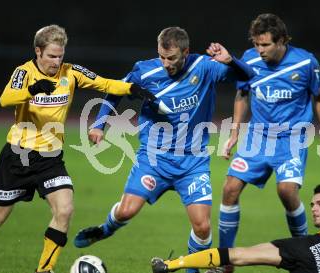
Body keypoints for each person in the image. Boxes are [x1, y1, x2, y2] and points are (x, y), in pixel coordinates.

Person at [0, 24, 155, 273]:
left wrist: (131, 88)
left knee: (65, 209)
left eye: (60, 55)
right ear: (38, 51)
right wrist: (32, 90)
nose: (56, 60)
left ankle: (44, 269)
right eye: (51, 55)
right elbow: (5, 99)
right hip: (19, 157)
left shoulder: (69, 72)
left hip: (50, 159)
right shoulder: (24, 72)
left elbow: (104, 84)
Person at [73, 26, 253, 273]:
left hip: (192, 162)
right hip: (153, 159)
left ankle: (192, 270)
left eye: (172, 58)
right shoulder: (145, 71)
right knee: (126, 212)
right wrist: (99, 124)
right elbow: (115, 91)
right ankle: (105, 230)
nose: (166, 63)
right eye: (162, 57)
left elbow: (248, 76)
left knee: (202, 226)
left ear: (186, 52)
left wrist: (231, 61)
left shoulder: (204, 67)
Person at [216, 14, 320, 272]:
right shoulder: (248, 59)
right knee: (229, 188)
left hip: (292, 138)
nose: (260, 50)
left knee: (287, 192)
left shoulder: (305, 62)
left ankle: (304, 251)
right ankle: (224, 261)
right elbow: (242, 94)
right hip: (257, 138)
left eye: (266, 45)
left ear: (282, 41)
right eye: (257, 44)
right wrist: (234, 133)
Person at [151, 184, 320, 273]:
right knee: (241, 256)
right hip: (316, 255)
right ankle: (171, 265)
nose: (313, 208)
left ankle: (172, 265)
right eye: (312, 204)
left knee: (242, 256)